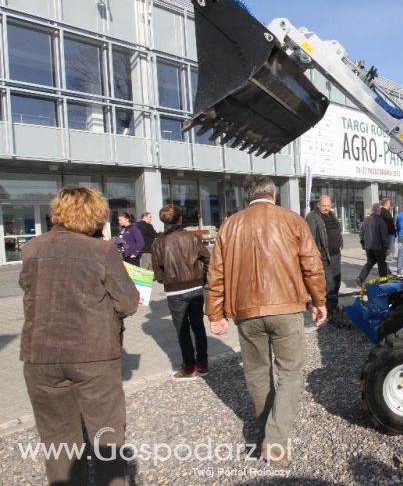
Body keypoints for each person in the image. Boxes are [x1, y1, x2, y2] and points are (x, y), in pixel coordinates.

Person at [19, 186, 139, 485]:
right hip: (93, 353)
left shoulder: (32, 248)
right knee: (106, 437)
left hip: (40, 355)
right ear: (97, 215)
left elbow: (27, 289)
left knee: (57, 441)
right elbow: (127, 302)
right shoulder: (101, 250)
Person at [206, 175, 326, 466]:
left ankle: (266, 434)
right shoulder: (293, 220)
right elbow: (312, 263)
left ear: (248, 197)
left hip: (246, 312)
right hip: (286, 308)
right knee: (291, 373)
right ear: (274, 195)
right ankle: (274, 442)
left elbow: (216, 274)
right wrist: (319, 301)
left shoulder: (229, 225)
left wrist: (215, 313)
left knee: (257, 373)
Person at [151, 204, 211, 379]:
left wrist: (165, 279)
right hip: (195, 287)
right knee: (198, 327)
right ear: (180, 218)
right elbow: (208, 257)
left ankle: (189, 367)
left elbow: (158, 272)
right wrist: (203, 277)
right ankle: (203, 364)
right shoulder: (192, 237)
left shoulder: (158, 242)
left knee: (182, 330)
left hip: (175, 290)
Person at [305, 195, 343, 315]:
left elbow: (337, 230)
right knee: (329, 283)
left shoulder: (332, 215)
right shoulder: (312, 217)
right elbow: (310, 237)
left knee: (337, 280)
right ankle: (329, 309)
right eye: (324, 206)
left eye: (328, 206)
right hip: (324, 256)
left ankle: (333, 305)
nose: (326, 208)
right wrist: (316, 252)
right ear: (318, 205)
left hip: (336, 254)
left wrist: (341, 242)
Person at [357, 203, 390, 287]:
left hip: (369, 247)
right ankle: (383, 283)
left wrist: (363, 244)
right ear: (378, 211)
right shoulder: (381, 221)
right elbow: (384, 236)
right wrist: (387, 248)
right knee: (382, 265)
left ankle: (361, 278)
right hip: (379, 248)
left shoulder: (366, 220)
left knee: (369, 263)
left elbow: (361, 233)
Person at [380, 198, 396, 263]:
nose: (390, 205)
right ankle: (386, 268)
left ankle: (385, 268)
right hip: (389, 235)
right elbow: (389, 224)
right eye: (389, 203)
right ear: (386, 203)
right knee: (390, 251)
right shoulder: (385, 212)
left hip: (385, 235)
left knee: (386, 251)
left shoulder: (380, 211)